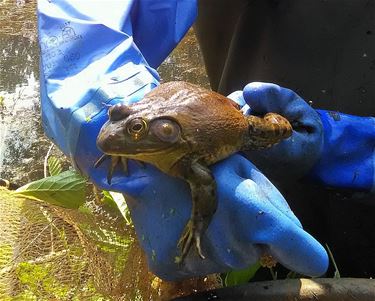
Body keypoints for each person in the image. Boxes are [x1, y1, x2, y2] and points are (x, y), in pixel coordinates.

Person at [37, 0, 374, 281]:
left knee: (273, 130)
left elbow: (203, 184)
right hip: (248, 201)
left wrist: (348, 147)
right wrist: (103, 98)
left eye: (134, 129)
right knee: (253, 264)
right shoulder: (163, 137)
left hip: (248, 130)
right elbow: (82, 16)